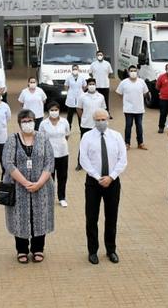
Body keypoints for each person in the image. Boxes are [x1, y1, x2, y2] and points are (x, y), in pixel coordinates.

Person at [3, 110, 56, 264]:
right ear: (20, 123)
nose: (28, 124)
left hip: (42, 186)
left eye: (30, 120)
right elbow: (8, 163)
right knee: (20, 217)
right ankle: (22, 250)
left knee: (40, 216)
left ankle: (38, 248)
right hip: (18, 187)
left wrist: (39, 182)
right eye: (24, 121)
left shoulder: (43, 138)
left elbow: (49, 162)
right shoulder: (12, 140)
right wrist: (26, 183)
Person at [79, 109, 128, 264]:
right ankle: (92, 251)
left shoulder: (116, 136)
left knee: (111, 217)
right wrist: (97, 176)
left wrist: (111, 177)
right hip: (94, 182)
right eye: (98, 120)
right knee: (91, 218)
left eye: (103, 119)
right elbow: (84, 159)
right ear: (94, 121)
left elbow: (123, 159)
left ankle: (111, 249)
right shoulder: (87, 137)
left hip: (112, 182)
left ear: (108, 119)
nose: (101, 122)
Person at [39, 102, 71, 208]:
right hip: (49, 154)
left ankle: (62, 197)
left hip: (63, 152)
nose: (54, 112)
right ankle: (49, 198)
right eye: (51, 110)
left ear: (59, 110)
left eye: (56, 110)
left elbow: (67, 135)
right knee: (49, 177)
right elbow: (40, 138)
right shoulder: (44, 123)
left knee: (62, 176)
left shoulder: (64, 122)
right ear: (48, 111)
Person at [115, 65, 150, 150]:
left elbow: (146, 92)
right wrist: (126, 100)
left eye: (135, 71)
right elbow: (119, 93)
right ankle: (127, 143)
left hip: (139, 109)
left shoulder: (141, 82)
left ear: (137, 71)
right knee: (128, 126)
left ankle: (140, 143)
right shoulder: (124, 82)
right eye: (131, 71)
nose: (133, 72)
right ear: (128, 71)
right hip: (128, 109)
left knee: (139, 126)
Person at [75, 78, 107, 171]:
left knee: (98, 144)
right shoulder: (82, 96)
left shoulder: (100, 96)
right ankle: (80, 163)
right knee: (84, 144)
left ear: (96, 85)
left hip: (98, 125)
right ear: (87, 86)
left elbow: (103, 109)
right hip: (86, 124)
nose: (91, 86)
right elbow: (78, 108)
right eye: (90, 84)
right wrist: (83, 117)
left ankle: (96, 162)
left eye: (93, 84)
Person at [90, 50, 113, 115]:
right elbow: (90, 73)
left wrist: (105, 77)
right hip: (96, 86)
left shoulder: (107, 64)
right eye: (98, 55)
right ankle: (96, 113)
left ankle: (107, 113)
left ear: (103, 56)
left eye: (101, 55)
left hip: (105, 85)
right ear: (96, 56)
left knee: (106, 100)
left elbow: (110, 73)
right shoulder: (93, 64)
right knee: (96, 100)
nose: (99, 56)